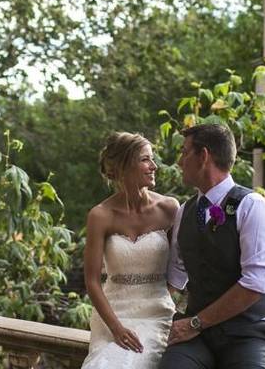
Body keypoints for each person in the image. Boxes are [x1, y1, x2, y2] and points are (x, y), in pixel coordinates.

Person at [161, 123, 265, 369]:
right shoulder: (184, 212)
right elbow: (175, 278)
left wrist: (195, 323)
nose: (179, 161)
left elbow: (255, 284)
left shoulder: (253, 207)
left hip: (248, 334)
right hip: (197, 337)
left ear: (204, 156)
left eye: (185, 152)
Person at [82, 132, 180, 369]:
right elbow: (92, 281)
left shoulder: (169, 208)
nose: (154, 166)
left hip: (156, 315)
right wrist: (115, 328)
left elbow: (180, 266)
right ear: (124, 165)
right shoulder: (100, 215)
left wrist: (160, 296)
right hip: (112, 316)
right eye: (145, 159)